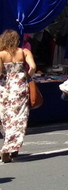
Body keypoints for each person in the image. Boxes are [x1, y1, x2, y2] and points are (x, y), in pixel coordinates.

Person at [0, 30, 37, 163]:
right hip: (19, 88)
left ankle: (8, 146)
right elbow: (32, 67)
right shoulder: (24, 52)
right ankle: (9, 148)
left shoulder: (1, 55)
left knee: (5, 118)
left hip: (4, 89)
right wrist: (26, 76)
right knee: (19, 118)